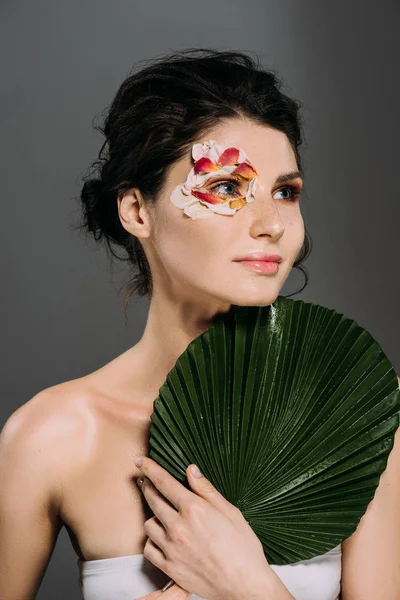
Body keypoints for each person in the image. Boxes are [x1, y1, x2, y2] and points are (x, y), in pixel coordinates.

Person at [0, 48, 399, 600]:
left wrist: (246, 584)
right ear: (137, 211)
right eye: (229, 188)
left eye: (285, 192)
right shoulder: (54, 436)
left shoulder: (357, 408)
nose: (271, 226)